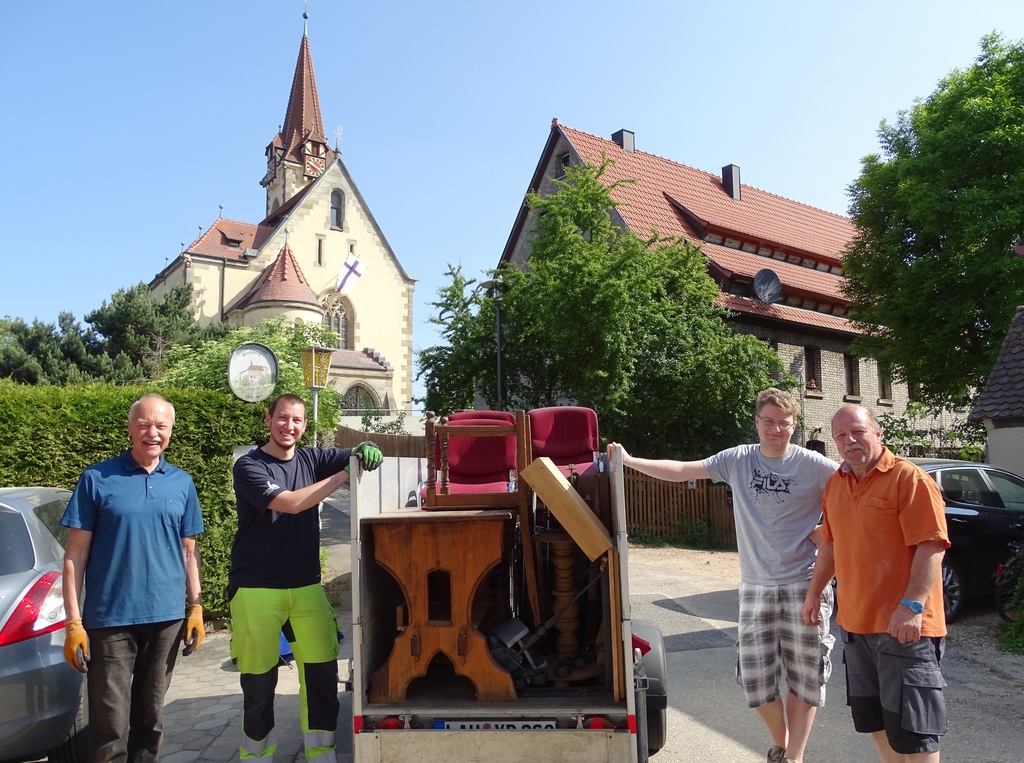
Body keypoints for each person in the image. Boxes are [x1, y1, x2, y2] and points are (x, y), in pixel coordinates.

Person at [610, 387, 836, 763]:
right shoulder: (738, 459)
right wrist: (629, 460)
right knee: (754, 677)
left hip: (805, 583)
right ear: (757, 422)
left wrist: (826, 528)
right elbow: (683, 471)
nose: (776, 429)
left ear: (795, 426)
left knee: (806, 677)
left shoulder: (815, 466)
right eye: (769, 422)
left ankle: (793, 757)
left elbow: (855, 491)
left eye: (783, 423)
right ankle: (782, 742)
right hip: (756, 586)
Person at [229, 393, 382, 760]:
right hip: (256, 588)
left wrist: (367, 445)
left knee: (321, 677)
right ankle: (257, 757)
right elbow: (293, 503)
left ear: (304, 425)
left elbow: (357, 452)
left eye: (297, 420)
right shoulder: (248, 466)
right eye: (282, 418)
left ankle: (321, 754)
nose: (289, 426)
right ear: (268, 419)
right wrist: (345, 475)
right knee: (259, 683)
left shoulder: (312, 457)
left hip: (307, 586)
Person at [61, 393, 205, 763]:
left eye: (161, 426)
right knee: (109, 726)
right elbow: (75, 555)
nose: (152, 433)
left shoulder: (182, 483)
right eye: (144, 424)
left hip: (166, 620)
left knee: (151, 718)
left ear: (171, 431)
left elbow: (189, 550)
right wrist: (74, 622)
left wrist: (196, 607)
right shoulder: (96, 479)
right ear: (130, 429)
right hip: (110, 620)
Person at [803, 404, 949, 762]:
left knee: (915, 731)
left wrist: (912, 606)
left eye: (858, 432)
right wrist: (812, 595)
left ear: (878, 432)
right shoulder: (836, 484)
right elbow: (831, 546)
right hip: (856, 626)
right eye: (841, 435)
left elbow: (931, 545)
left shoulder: (908, 479)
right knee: (876, 720)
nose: (850, 441)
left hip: (904, 627)